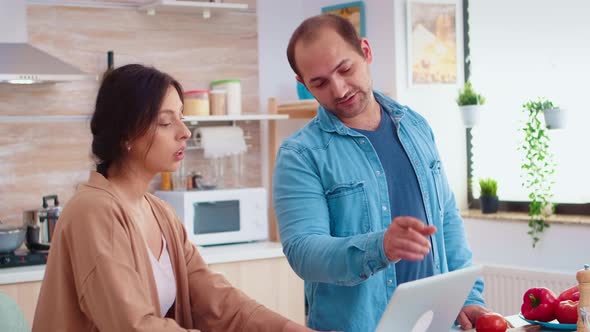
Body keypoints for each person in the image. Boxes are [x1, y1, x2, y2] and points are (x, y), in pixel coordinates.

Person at [33, 64, 320, 332]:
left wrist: (289, 328)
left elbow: (217, 301)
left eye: (181, 118)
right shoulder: (93, 211)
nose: (184, 132)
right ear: (125, 134)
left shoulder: (159, 212)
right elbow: (133, 325)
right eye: (165, 122)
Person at [272, 14, 487, 331]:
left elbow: (446, 219)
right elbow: (303, 251)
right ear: (304, 86)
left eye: (345, 69)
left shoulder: (415, 125)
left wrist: (469, 297)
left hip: (436, 324)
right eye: (319, 83)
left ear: (366, 51)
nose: (340, 88)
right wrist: (380, 247)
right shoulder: (300, 155)